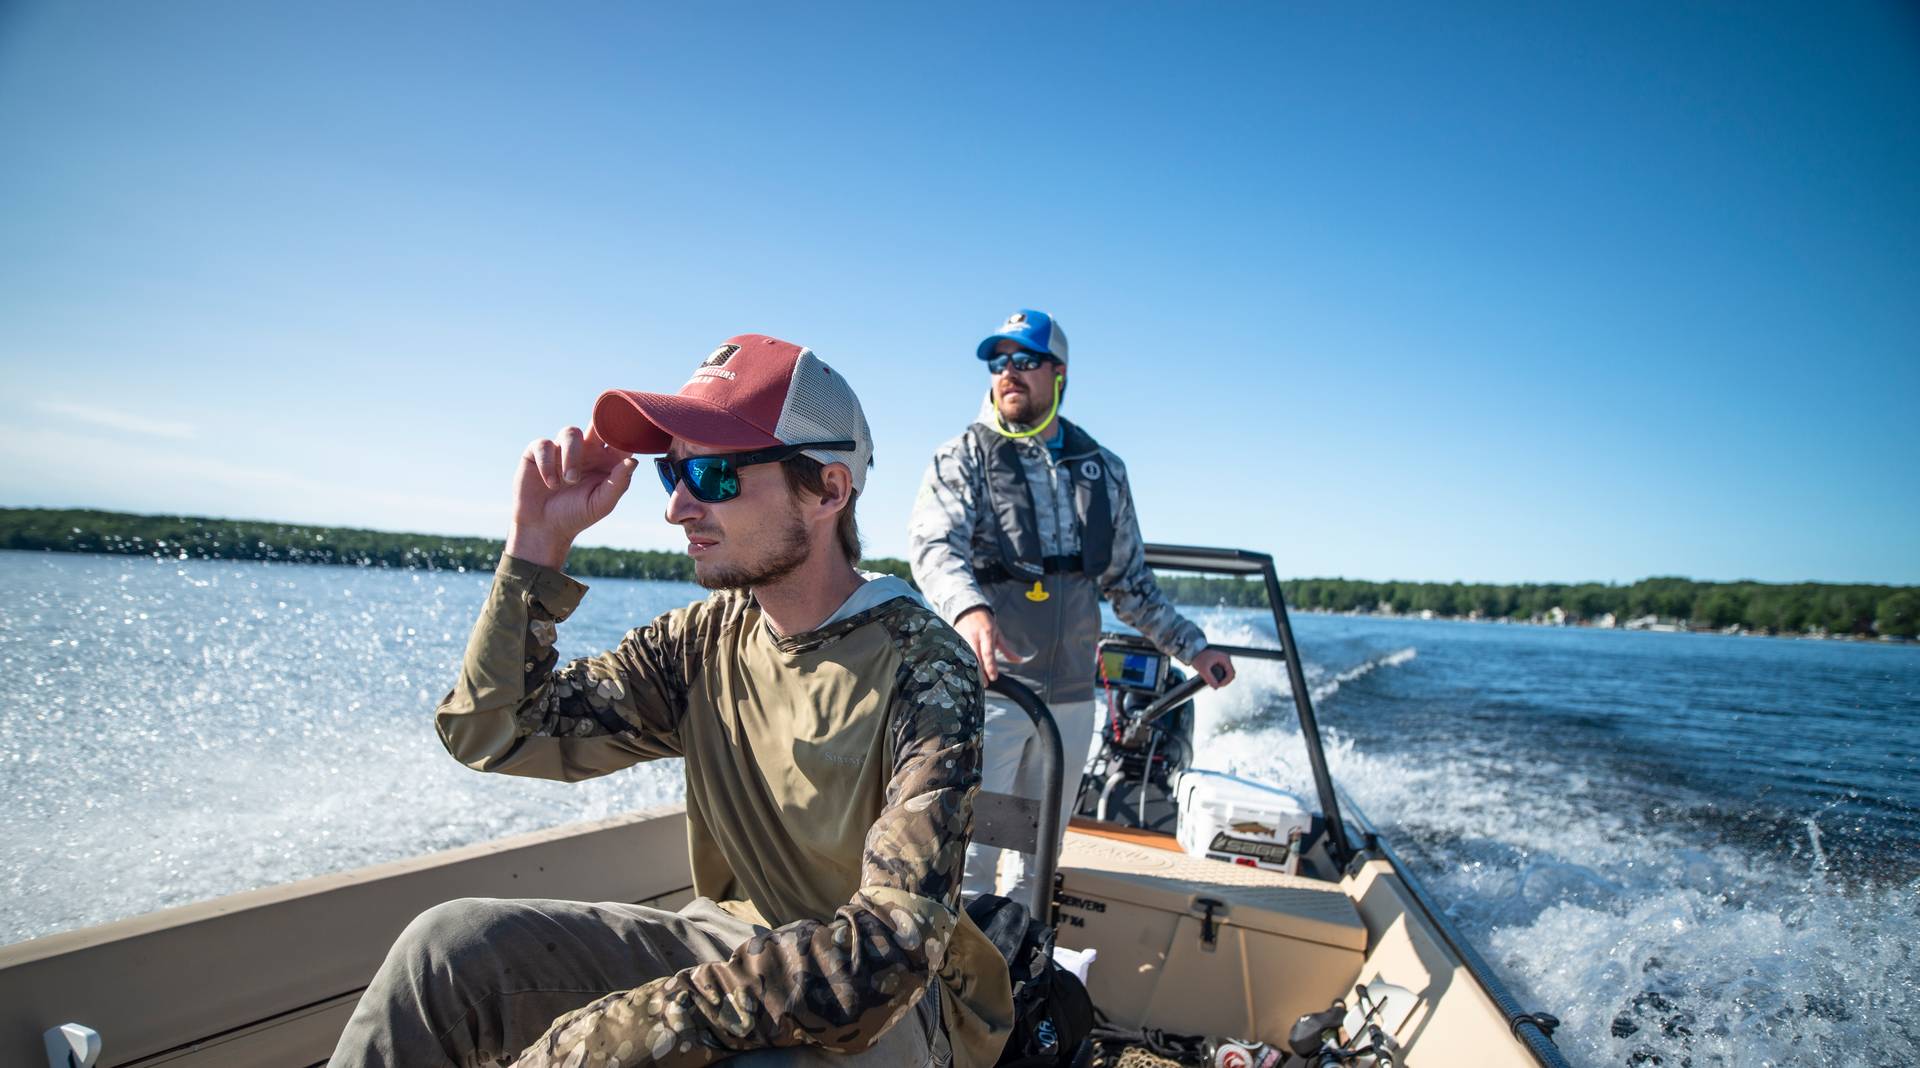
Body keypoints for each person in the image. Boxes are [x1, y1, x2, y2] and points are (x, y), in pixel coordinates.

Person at [329, 335, 1012, 1068]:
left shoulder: (925, 666)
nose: (679, 508)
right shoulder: (699, 644)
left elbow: (888, 950)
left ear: (828, 490)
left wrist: (607, 1037)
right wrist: (535, 549)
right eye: (672, 472)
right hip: (727, 943)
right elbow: (493, 732)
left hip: (895, 1012)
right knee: (448, 952)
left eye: (713, 473)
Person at [908, 309, 1236, 901]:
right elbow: (934, 547)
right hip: (996, 696)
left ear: (1058, 373)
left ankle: (1022, 979)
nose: (1008, 373)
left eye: (1025, 361)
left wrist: (1195, 646)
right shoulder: (963, 457)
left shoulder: (1104, 471)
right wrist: (968, 609)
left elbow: (1130, 585)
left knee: (1035, 861)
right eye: (998, 362)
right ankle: (962, 985)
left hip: (1070, 705)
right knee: (974, 860)